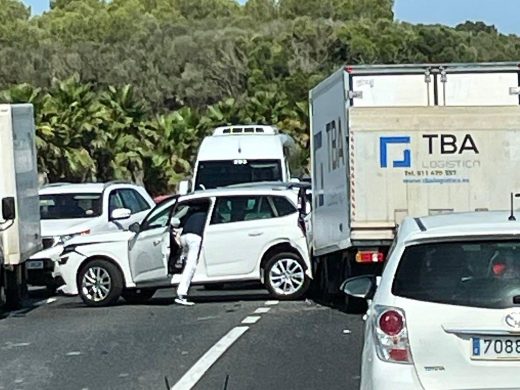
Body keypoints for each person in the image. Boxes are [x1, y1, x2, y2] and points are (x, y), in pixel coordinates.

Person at [175, 205, 208, 306]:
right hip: (195, 237)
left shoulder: (190, 213)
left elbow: (179, 223)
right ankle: (181, 294)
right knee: (191, 265)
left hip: (184, 236)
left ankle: (181, 260)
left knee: (186, 257)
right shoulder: (206, 214)